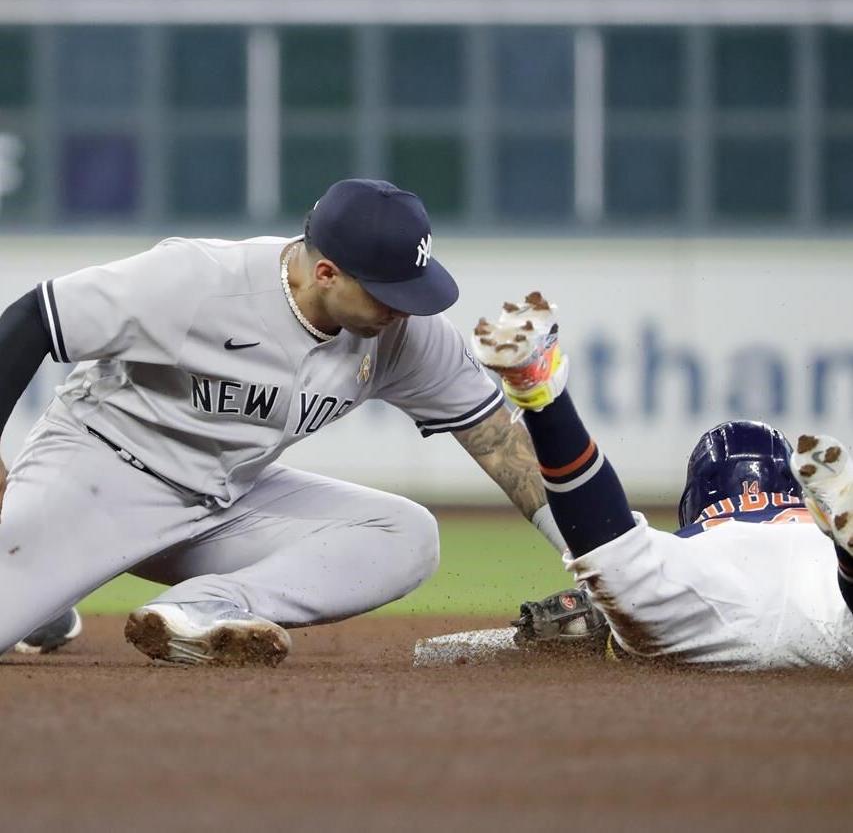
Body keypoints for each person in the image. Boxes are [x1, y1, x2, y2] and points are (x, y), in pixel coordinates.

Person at [0, 179, 565, 666]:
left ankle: (204, 606)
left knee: (407, 535)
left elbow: (500, 443)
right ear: (325, 273)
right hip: (100, 478)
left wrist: (607, 553)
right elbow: (32, 319)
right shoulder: (197, 279)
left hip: (224, 507)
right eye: (387, 292)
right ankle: (44, 589)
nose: (404, 308)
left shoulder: (402, 333)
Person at [471, 293, 853, 670]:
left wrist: (607, 622)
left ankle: (542, 396)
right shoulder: (804, 524)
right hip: (822, 570)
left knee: (616, 556)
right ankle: (847, 559)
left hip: (709, 592)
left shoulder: (693, 545)